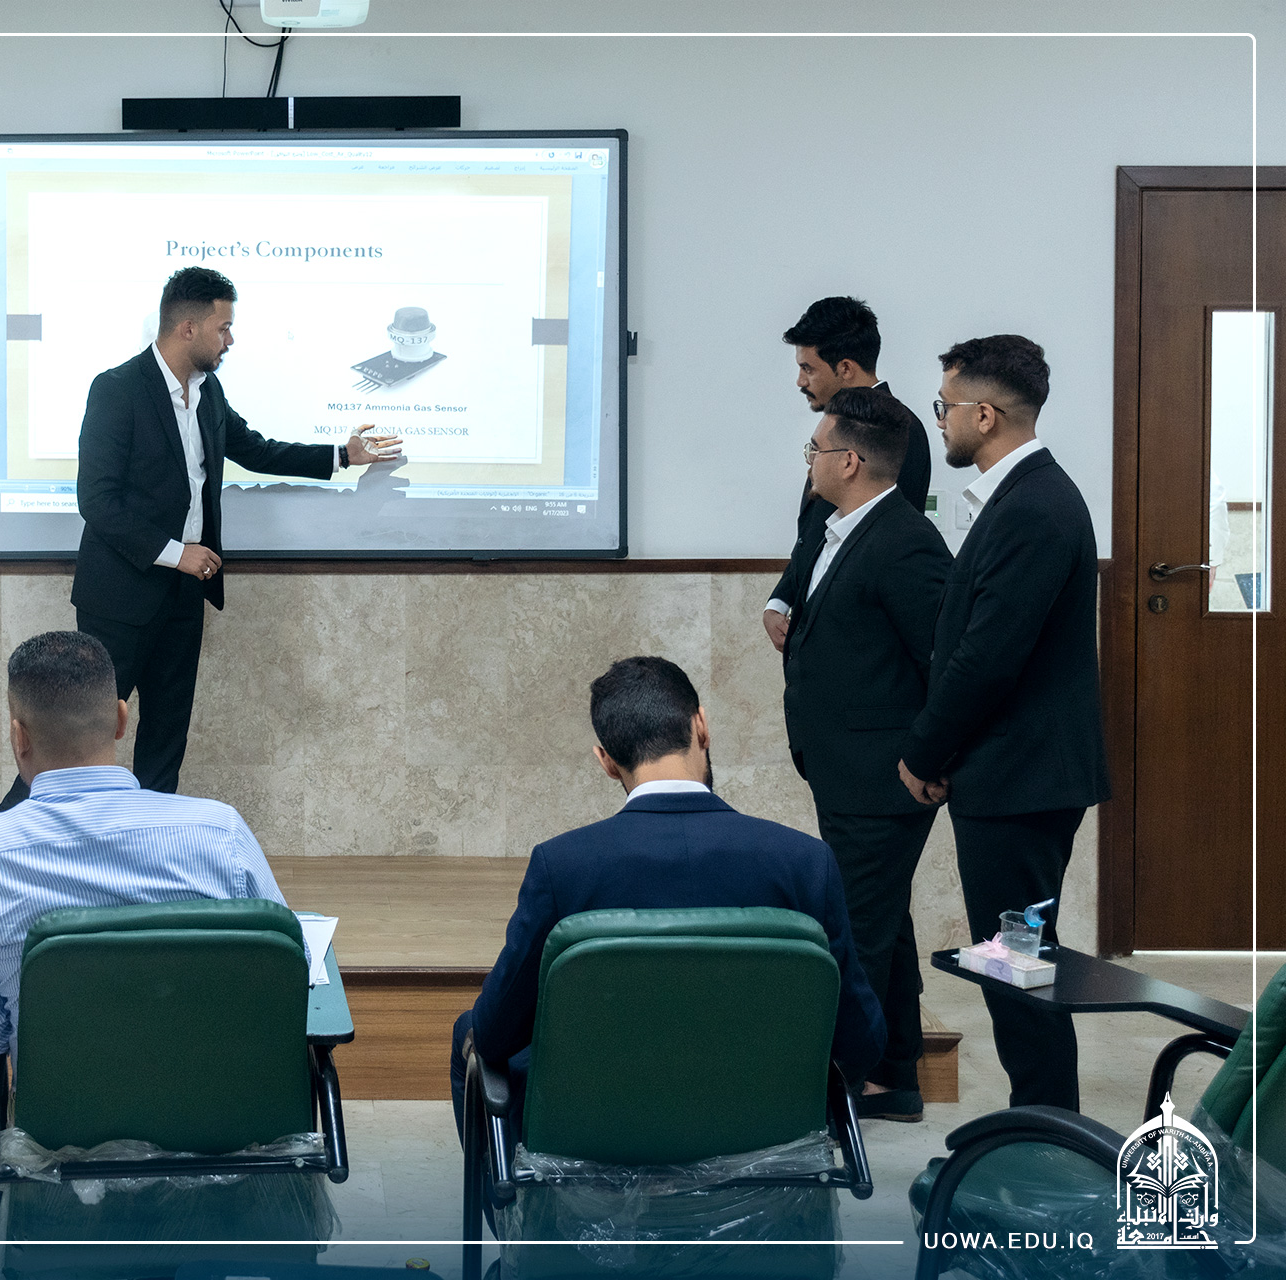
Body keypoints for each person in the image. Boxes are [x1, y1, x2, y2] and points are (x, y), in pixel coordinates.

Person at [0, 267, 402, 809]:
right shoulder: (117, 389)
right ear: (188, 328)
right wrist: (176, 554)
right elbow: (97, 501)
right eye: (223, 328)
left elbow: (256, 449)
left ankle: (149, 850)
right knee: (72, 742)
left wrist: (342, 456)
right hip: (120, 597)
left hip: (184, 596)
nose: (230, 340)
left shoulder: (208, 393)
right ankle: (0, 841)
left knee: (166, 742)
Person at [451, 655, 885, 1135]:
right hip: (758, 1128)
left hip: (601, 1130)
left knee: (468, 1030)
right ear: (702, 726)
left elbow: (495, 1032)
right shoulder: (806, 862)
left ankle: (512, 1188)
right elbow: (862, 1039)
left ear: (606, 762)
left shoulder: (563, 866)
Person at [899, 335, 1109, 1112]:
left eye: (945, 406)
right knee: (1015, 963)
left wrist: (924, 752)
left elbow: (988, 658)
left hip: (1023, 778)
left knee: (1019, 967)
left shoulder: (1036, 506)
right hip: (1015, 772)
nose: (941, 421)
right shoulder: (1024, 496)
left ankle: (1046, 1131)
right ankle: (1041, 1123)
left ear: (984, 415)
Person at [0, 630, 287, 1059]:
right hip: (224, 1096)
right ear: (122, 719)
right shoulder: (221, 832)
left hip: (61, 1103)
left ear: (19, 736)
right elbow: (293, 971)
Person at [781, 386, 952, 1122]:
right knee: (884, 921)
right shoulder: (837, 528)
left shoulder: (905, 540)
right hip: (845, 769)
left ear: (850, 461)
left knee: (855, 930)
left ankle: (836, 1095)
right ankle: (894, 1075)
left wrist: (926, 758)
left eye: (816, 450)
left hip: (884, 776)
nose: (809, 462)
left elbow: (943, 660)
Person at [764, 297, 934, 652]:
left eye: (808, 368)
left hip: (857, 640)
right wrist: (780, 600)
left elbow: (883, 541)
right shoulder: (836, 426)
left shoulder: (896, 430)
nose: (799, 380)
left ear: (845, 368)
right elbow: (817, 531)